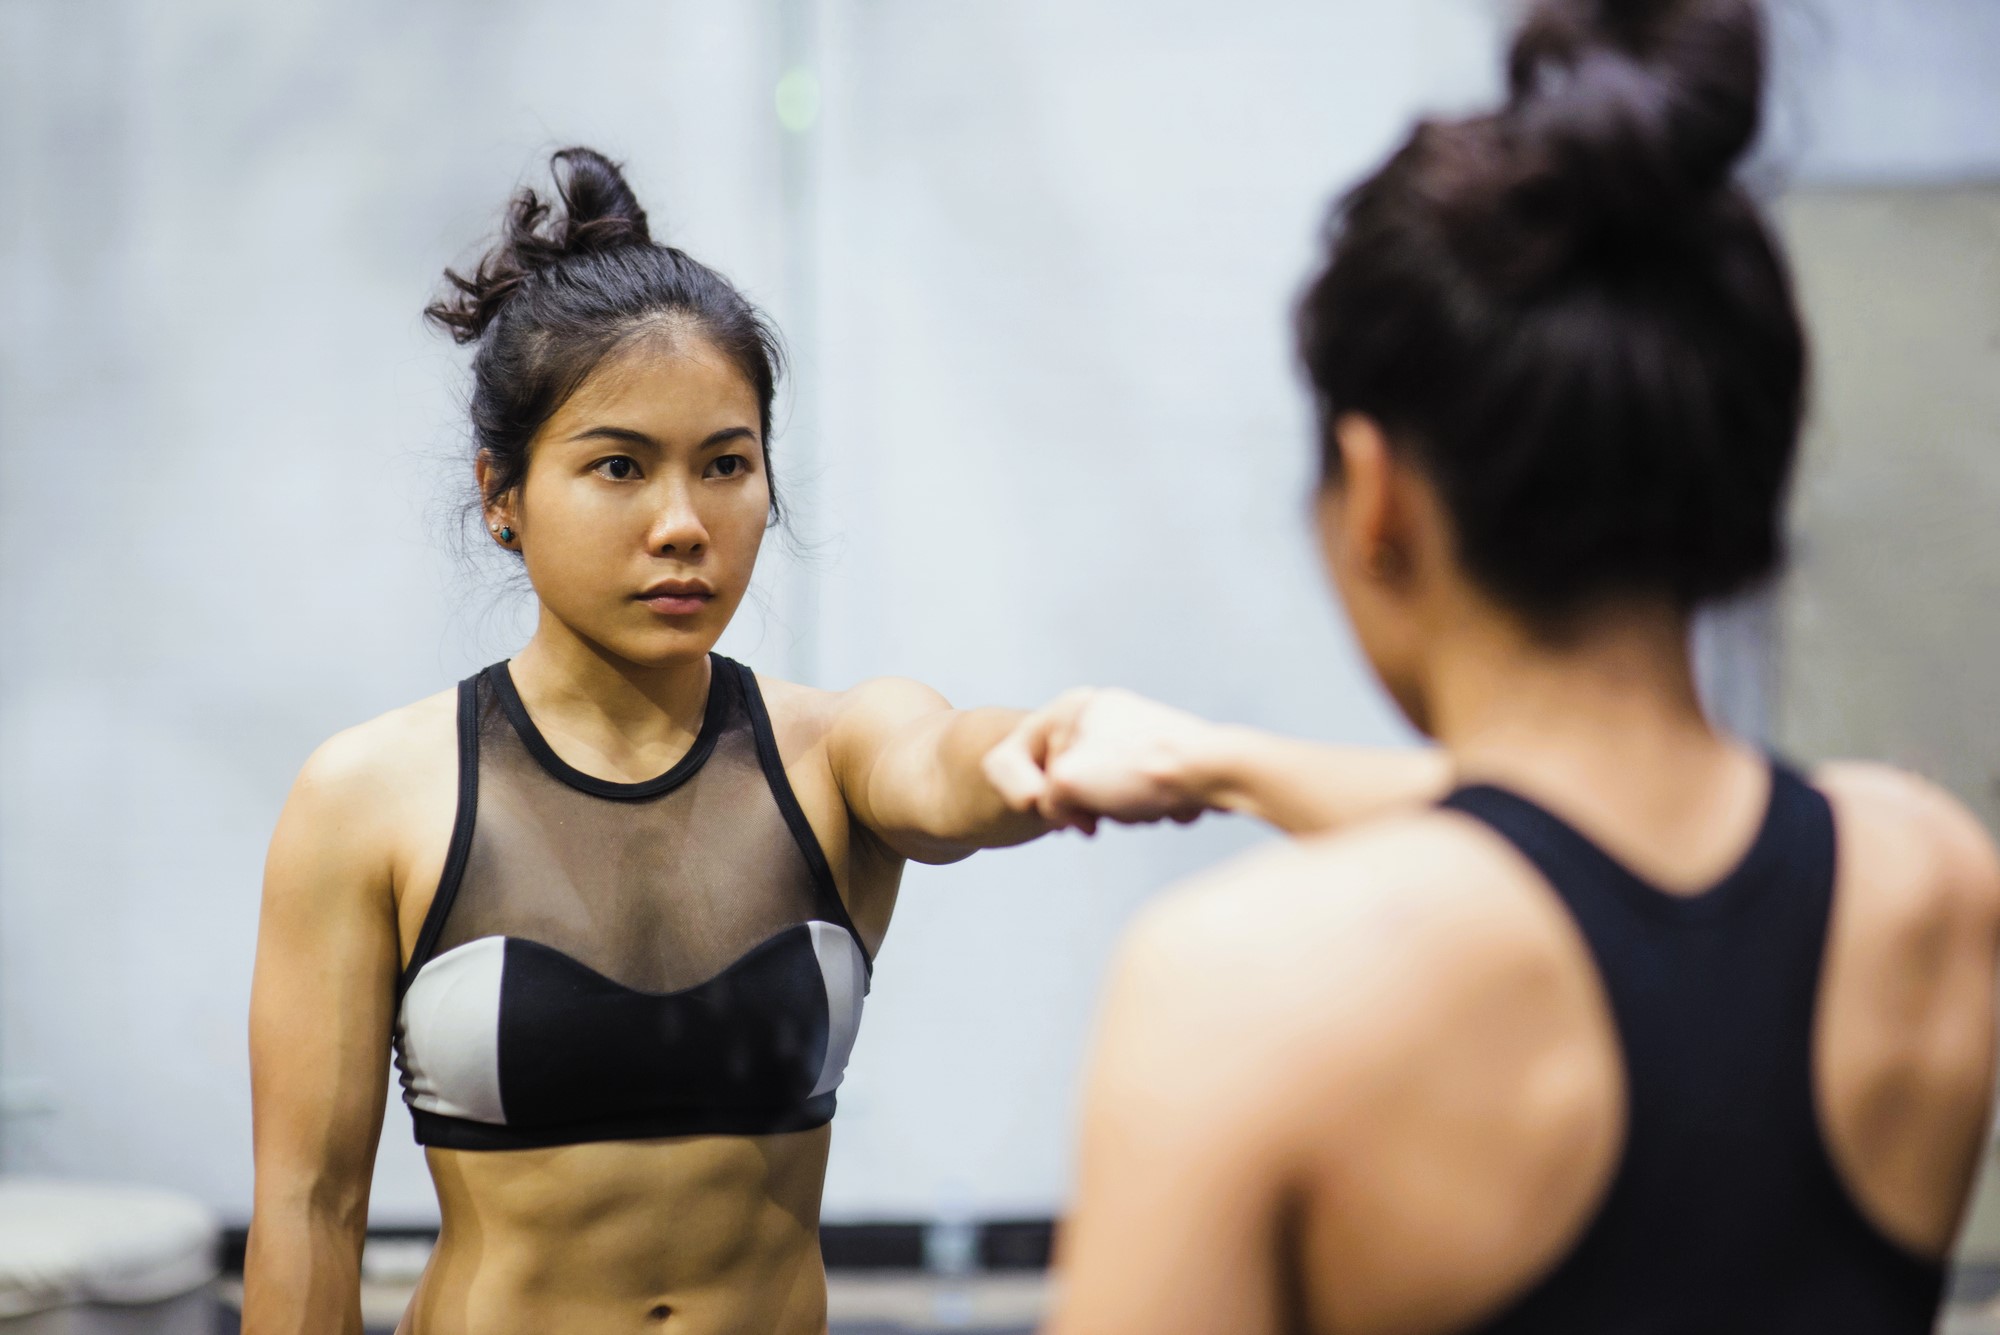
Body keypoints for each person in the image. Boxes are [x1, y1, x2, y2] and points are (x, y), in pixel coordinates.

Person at [990, 2, 2000, 1331]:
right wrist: (1217, 762)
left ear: (1374, 493)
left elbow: (1563, 874)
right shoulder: (1930, 885)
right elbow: (1633, 882)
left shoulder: (1242, 990)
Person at [243, 146, 1245, 1335]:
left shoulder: (834, 755)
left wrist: (1051, 748)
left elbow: (947, 767)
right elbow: (310, 1211)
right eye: (618, 467)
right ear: (499, 494)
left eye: (725, 465)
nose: (682, 524)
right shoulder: (373, 796)